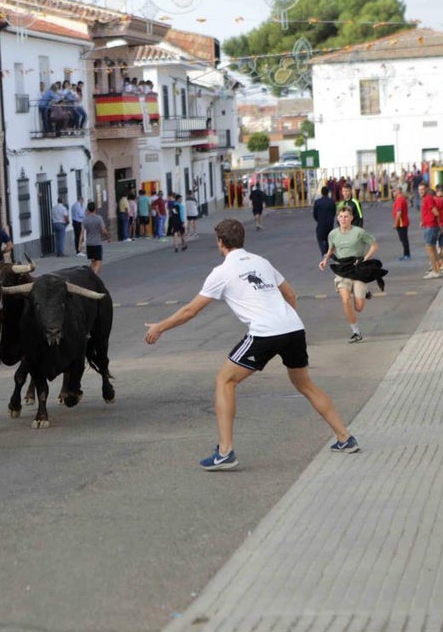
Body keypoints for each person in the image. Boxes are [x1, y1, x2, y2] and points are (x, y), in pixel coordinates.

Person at [144, 219, 361, 470]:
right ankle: (345, 437)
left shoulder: (222, 272)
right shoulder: (262, 262)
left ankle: (225, 452)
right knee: (305, 384)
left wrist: (160, 326)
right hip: (293, 327)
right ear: (242, 239)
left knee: (225, 381)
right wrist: (283, 325)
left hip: (265, 333)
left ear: (220, 243)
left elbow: (190, 311)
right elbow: (291, 295)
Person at [320, 205, 379, 344]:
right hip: (342, 270)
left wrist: (365, 259)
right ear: (337, 218)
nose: (343, 219)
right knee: (345, 300)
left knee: (358, 307)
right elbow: (332, 248)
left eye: (346, 216)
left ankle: (364, 292)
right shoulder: (333, 234)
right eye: (340, 216)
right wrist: (325, 260)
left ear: (352, 218)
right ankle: (356, 332)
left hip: (358, 269)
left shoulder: (359, 232)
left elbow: (374, 245)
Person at [418, 182, 443, 278]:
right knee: (432, 249)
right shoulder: (427, 198)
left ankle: (435, 270)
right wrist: (423, 220)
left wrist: (430, 220)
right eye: (419, 190)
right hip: (430, 225)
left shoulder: (428, 198)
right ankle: (437, 270)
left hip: (430, 226)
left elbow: (435, 212)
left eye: (422, 189)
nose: (420, 191)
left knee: (430, 249)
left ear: (427, 189)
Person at [79, 201, 110, 274]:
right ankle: (93, 278)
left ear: (88, 209)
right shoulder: (99, 218)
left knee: (93, 262)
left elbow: (82, 233)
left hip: (89, 244)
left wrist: (79, 244)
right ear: (95, 209)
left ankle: (88, 276)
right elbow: (103, 230)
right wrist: (108, 237)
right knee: (98, 263)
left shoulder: (85, 219)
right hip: (97, 243)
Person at [312, 185, 337, 256]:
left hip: (321, 222)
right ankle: (327, 252)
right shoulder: (332, 201)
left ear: (321, 193)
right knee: (327, 238)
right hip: (330, 222)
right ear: (328, 192)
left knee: (319, 238)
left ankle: (324, 252)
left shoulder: (317, 202)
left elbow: (315, 213)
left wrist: (318, 220)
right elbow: (334, 212)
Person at [392, 187, 412, 260]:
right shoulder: (400, 199)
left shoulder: (399, 200)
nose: (393, 193)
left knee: (403, 239)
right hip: (402, 222)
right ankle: (407, 254)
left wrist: (395, 223)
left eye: (394, 191)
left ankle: (406, 254)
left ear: (398, 192)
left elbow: (399, 212)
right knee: (403, 239)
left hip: (401, 223)